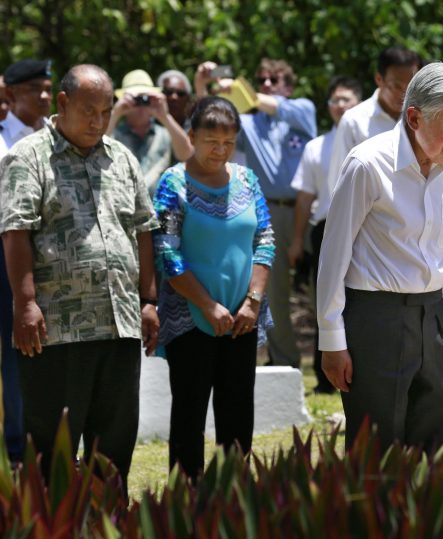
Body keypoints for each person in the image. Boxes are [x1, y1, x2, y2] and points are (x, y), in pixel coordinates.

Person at [0, 64, 159, 491]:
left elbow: (144, 230)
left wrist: (148, 301)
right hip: (56, 329)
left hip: (118, 322)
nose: (98, 121)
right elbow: (15, 230)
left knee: (115, 441)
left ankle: (107, 518)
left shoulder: (121, 157)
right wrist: (25, 303)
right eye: (89, 110)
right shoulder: (28, 156)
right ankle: (55, 522)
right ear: (64, 103)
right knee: (52, 447)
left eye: (106, 111)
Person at [317, 62, 443, 453]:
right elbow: (333, 256)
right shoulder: (367, 164)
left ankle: (428, 516)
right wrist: (331, 339)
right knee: (377, 449)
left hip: (433, 316)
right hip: (376, 320)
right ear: (414, 116)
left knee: (436, 443)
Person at [153, 96, 275, 480]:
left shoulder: (246, 179)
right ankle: (186, 499)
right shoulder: (174, 182)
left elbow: (266, 238)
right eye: (211, 142)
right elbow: (168, 254)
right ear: (191, 136)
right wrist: (207, 306)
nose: (220, 151)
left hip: (243, 315)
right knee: (189, 412)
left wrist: (252, 302)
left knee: (238, 410)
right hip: (191, 317)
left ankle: (232, 495)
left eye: (228, 143)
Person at [231, 57, 316, 368]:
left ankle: (328, 366)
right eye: (261, 79)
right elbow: (205, 128)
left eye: (274, 79)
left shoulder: (302, 111)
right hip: (271, 213)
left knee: (327, 292)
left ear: (288, 87)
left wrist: (245, 93)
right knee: (275, 293)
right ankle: (285, 360)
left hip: (310, 211)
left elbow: (278, 106)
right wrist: (205, 89)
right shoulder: (249, 122)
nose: (266, 84)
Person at [289, 76, 362, 394]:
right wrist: (296, 238)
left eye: (346, 99)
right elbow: (305, 197)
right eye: (334, 100)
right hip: (325, 227)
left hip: (364, 228)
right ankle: (324, 378)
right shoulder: (315, 146)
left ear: (360, 101)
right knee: (327, 298)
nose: (340, 106)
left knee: (358, 299)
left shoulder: (374, 137)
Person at [0, 58, 53, 463]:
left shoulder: (56, 137)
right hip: (6, 259)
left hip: (51, 257)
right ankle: (17, 448)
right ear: (10, 93)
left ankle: (48, 443)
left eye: (49, 87)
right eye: (35, 87)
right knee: (16, 354)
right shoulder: (2, 140)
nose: (45, 95)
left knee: (46, 351)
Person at [326, 46, 422, 190]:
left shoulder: (424, 118)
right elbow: (339, 181)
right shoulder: (354, 121)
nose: (405, 94)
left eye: (411, 86)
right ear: (379, 79)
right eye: (396, 86)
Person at [107, 69, 193, 194]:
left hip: (158, 210)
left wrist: (165, 116)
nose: (141, 105)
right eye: (136, 99)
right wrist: (115, 113)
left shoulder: (166, 133)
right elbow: (95, 149)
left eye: (146, 98)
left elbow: (187, 155)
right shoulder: (112, 134)